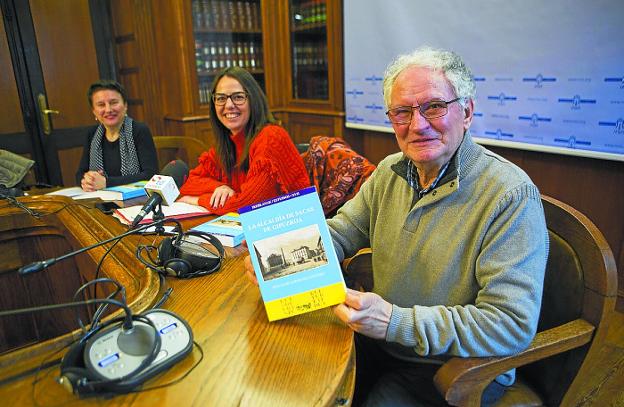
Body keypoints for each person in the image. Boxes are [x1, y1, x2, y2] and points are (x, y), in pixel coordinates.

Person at [245, 46, 549, 406]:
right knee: (287, 376)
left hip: (451, 366)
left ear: (466, 112)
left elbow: (509, 325)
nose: (417, 125)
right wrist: (276, 254)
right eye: (402, 112)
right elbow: (341, 231)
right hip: (381, 338)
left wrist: (394, 322)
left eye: (433, 107)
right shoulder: (389, 171)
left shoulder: (510, 196)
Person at [177, 67, 310, 214]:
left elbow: (246, 206)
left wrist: (196, 200)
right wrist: (219, 187)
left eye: (238, 97)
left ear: (253, 100)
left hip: (291, 232)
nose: (228, 105)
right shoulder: (228, 143)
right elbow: (189, 183)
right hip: (255, 229)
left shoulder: (271, 138)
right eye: (221, 98)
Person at [76, 80, 158, 191]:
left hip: (134, 200)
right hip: (99, 199)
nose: (108, 109)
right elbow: (80, 174)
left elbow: (151, 175)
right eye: (101, 105)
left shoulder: (139, 130)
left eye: (113, 102)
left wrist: (106, 183)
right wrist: (88, 180)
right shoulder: (92, 134)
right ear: (94, 111)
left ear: (125, 105)